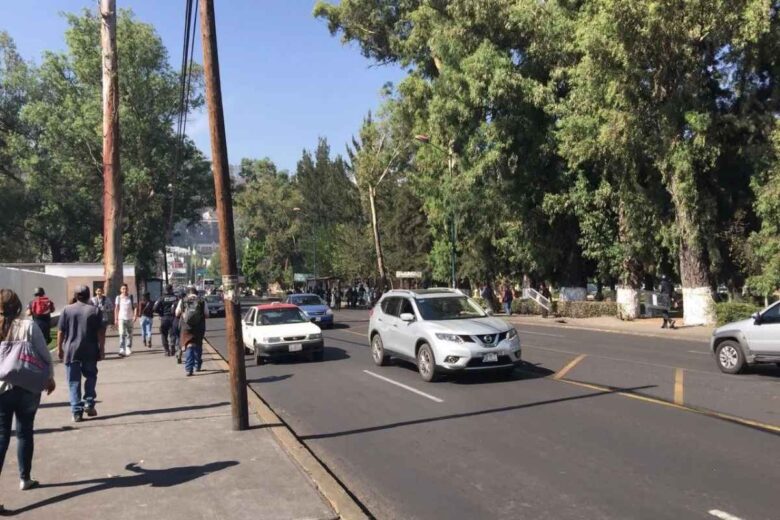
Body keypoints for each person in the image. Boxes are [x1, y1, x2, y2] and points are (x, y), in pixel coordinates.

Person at [0, 288, 56, 499]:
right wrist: (49, 378)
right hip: (28, 386)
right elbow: (44, 355)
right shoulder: (29, 325)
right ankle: (25, 478)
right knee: (25, 432)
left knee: (2, 436)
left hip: (2, 388)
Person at [57, 285, 105, 423]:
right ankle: (89, 403)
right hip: (90, 350)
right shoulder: (95, 311)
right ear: (89, 295)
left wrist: (60, 349)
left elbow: (60, 331)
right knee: (91, 376)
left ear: (76, 295)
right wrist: (101, 349)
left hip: (71, 350)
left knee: (73, 381)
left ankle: (76, 411)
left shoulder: (67, 310)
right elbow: (101, 332)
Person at [175, 287, 209, 377]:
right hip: (199, 327)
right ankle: (197, 365)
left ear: (188, 293)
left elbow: (177, 313)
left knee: (189, 346)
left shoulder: (183, 300)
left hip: (186, 327)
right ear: (196, 293)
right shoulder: (202, 301)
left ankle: (189, 369)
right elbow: (207, 314)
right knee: (198, 344)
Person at [153, 285, 179, 357]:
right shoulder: (176, 298)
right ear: (171, 290)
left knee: (164, 334)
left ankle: (167, 351)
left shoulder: (161, 298)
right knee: (173, 333)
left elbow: (155, 308)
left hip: (164, 318)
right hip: (174, 318)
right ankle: (173, 346)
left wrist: (161, 313)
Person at [114, 284, 136, 356]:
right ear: (120, 290)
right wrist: (116, 319)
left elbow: (135, 307)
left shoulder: (131, 297)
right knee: (122, 334)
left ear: (128, 289)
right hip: (121, 318)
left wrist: (135, 315)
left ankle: (128, 347)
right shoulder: (118, 298)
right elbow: (116, 308)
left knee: (129, 334)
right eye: (123, 289)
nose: (124, 290)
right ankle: (122, 349)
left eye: (126, 288)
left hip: (130, 318)